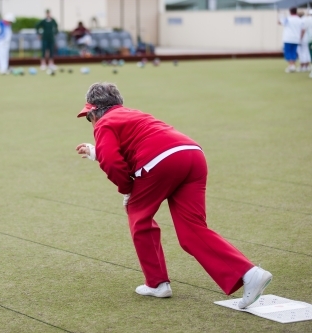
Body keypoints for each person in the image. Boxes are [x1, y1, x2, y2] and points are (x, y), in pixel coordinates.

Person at [75, 82, 273, 309]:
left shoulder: (104, 123)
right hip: (192, 154)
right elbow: (129, 148)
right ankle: (250, 273)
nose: (91, 122)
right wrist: (95, 152)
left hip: (160, 160)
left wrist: (127, 189)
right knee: (192, 230)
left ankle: (157, 283)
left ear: (94, 111)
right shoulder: (134, 115)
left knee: (139, 217)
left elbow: (113, 161)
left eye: (89, 117)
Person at [279, 8, 306, 73]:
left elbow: (279, 22)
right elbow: (303, 30)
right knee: (293, 52)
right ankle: (293, 65)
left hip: (288, 38)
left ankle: (291, 66)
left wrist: (280, 15)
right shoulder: (300, 20)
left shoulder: (287, 19)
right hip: (296, 38)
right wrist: (300, 38)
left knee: (288, 52)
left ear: (290, 12)